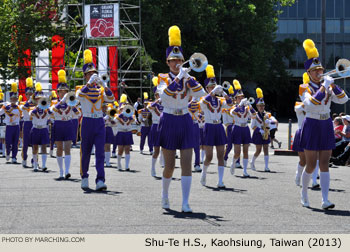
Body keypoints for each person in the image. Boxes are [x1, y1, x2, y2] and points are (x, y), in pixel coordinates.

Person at [157, 25, 206, 213]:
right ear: (167, 62)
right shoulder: (162, 78)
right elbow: (164, 96)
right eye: (173, 61)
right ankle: (165, 194)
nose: (176, 64)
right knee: (169, 166)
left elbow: (201, 93)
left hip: (185, 119)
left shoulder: (187, 77)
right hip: (169, 120)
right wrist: (178, 79)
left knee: (187, 163)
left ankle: (185, 202)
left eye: (179, 61)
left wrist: (190, 79)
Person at [299, 39, 348, 209]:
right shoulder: (303, 87)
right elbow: (311, 103)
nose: (319, 73)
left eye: (320, 69)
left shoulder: (327, 86)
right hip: (312, 123)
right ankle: (304, 193)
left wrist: (332, 85)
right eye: (315, 70)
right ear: (309, 72)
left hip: (326, 123)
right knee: (311, 164)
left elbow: (344, 99)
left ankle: (325, 200)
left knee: (325, 162)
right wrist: (324, 86)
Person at [76, 49, 114, 191]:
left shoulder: (100, 90)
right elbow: (79, 96)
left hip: (98, 122)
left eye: (94, 73)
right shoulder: (81, 88)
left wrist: (104, 85)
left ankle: (100, 180)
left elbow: (111, 99)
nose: (92, 76)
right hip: (86, 122)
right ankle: (84, 176)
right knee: (85, 151)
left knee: (100, 152)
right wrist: (89, 84)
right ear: (85, 76)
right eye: (89, 74)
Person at [199, 65, 233, 188]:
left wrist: (224, 93)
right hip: (208, 126)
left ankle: (220, 181)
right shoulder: (204, 98)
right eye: (210, 87)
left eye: (214, 87)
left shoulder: (219, 101)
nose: (212, 89)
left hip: (218, 127)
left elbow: (230, 104)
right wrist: (212, 93)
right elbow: (202, 104)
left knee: (220, 155)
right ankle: (204, 172)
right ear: (207, 88)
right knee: (209, 156)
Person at [51, 70, 81, 180]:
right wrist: (61, 102)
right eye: (61, 92)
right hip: (58, 125)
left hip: (68, 124)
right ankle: (61, 171)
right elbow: (51, 111)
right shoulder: (55, 103)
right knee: (59, 148)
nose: (63, 94)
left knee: (67, 148)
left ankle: (67, 171)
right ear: (58, 93)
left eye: (65, 92)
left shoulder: (71, 102)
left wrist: (72, 106)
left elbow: (78, 114)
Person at [229, 80, 256, 177]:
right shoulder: (234, 107)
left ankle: (245, 171)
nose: (241, 99)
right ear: (236, 99)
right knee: (237, 152)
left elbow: (253, 116)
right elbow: (232, 113)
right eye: (239, 98)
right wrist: (240, 105)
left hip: (245, 129)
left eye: (242, 97)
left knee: (245, 151)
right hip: (237, 128)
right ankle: (233, 163)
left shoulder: (246, 108)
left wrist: (250, 106)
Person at [29, 83, 52, 171]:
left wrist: (47, 110)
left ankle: (44, 165)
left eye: (40, 99)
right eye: (37, 99)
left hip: (43, 128)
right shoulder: (33, 109)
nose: (39, 100)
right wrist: (36, 109)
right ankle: (35, 164)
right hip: (35, 128)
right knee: (35, 147)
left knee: (43, 147)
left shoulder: (46, 108)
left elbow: (52, 115)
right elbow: (30, 115)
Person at [250, 88, 272, 172]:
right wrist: (260, 130)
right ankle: (252, 162)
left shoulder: (267, 114)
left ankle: (266, 166)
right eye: (260, 106)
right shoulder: (254, 115)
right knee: (258, 150)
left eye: (263, 106)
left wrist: (269, 123)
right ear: (257, 106)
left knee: (266, 149)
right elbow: (252, 126)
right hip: (258, 133)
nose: (261, 107)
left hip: (265, 132)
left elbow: (270, 123)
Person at [0, 83, 21, 163]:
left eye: (15, 98)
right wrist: (3, 107)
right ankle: (8, 153)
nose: (14, 100)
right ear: (10, 98)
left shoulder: (19, 106)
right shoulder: (6, 106)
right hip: (9, 126)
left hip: (16, 126)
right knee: (8, 142)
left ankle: (14, 157)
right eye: (12, 98)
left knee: (15, 143)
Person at [148, 78, 164, 177]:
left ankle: (163, 163)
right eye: (157, 94)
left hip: (164, 126)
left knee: (165, 148)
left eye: (160, 94)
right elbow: (148, 108)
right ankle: (153, 168)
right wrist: (156, 101)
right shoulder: (153, 105)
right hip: (155, 126)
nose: (159, 96)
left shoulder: (165, 104)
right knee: (156, 149)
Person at [115, 94, 134, 171]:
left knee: (127, 149)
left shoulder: (130, 115)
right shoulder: (118, 115)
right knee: (120, 150)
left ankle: (127, 166)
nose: (124, 110)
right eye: (122, 108)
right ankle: (119, 164)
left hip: (128, 132)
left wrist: (131, 119)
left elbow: (134, 121)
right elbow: (114, 121)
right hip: (121, 132)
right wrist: (119, 117)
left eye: (125, 108)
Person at [20, 77, 35, 168]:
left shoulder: (36, 104)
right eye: (28, 94)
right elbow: (23, 109)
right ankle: (24, 158)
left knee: (34, 143)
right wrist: (29, 102)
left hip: (34, 124)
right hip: (27, 123)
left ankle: (34, 160)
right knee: (25, 144)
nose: (29, 96)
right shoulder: (23, 104)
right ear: (25, 95)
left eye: (31, 94)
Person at [188, 96, 202, 172]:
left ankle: (197, 164)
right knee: (186, 146)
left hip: (195, 125)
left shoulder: (198, 104)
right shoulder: (185, 104)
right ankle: (186, 164)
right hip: (187, 125)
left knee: (197, 146)